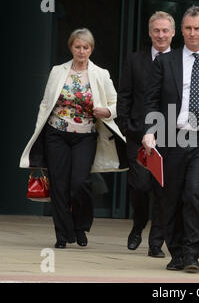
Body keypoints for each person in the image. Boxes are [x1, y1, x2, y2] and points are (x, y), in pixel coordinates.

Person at [20, 28, 127, 248]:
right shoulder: (57, 71)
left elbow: (117, 104)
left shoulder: (101, 74)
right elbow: (45, 103)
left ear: (91, 49)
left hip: (85, 136)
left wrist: (106, 112)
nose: (81, 51)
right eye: (77, 46)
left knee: (80, 183)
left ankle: (80, 226)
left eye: (85, 47)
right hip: (56, 134)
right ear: (71, 47)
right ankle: (62, 234)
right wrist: (38, 129)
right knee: (59, 184)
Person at [142, 6, 199, 273]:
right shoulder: (166, 62)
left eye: (197, 28)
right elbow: (152, 100)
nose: (192, 33)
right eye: (188, 28)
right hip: (172, 136)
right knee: (172, 196)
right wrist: (149, 130)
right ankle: (176, 251)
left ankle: (191, 253)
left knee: (194, 193)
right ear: (181, 30)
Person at [116, 11, 176, 258]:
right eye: (156, 30)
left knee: (163, 191)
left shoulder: (181, 61)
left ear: (173, 33)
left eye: (165, 30)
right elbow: (125, 95)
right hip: (138, 135)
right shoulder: (135, 60)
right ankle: (139, 224)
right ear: (150, 32)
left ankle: (156, 243)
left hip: (171, 136)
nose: (161, 35)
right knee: (140, 186)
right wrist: (126, 126)